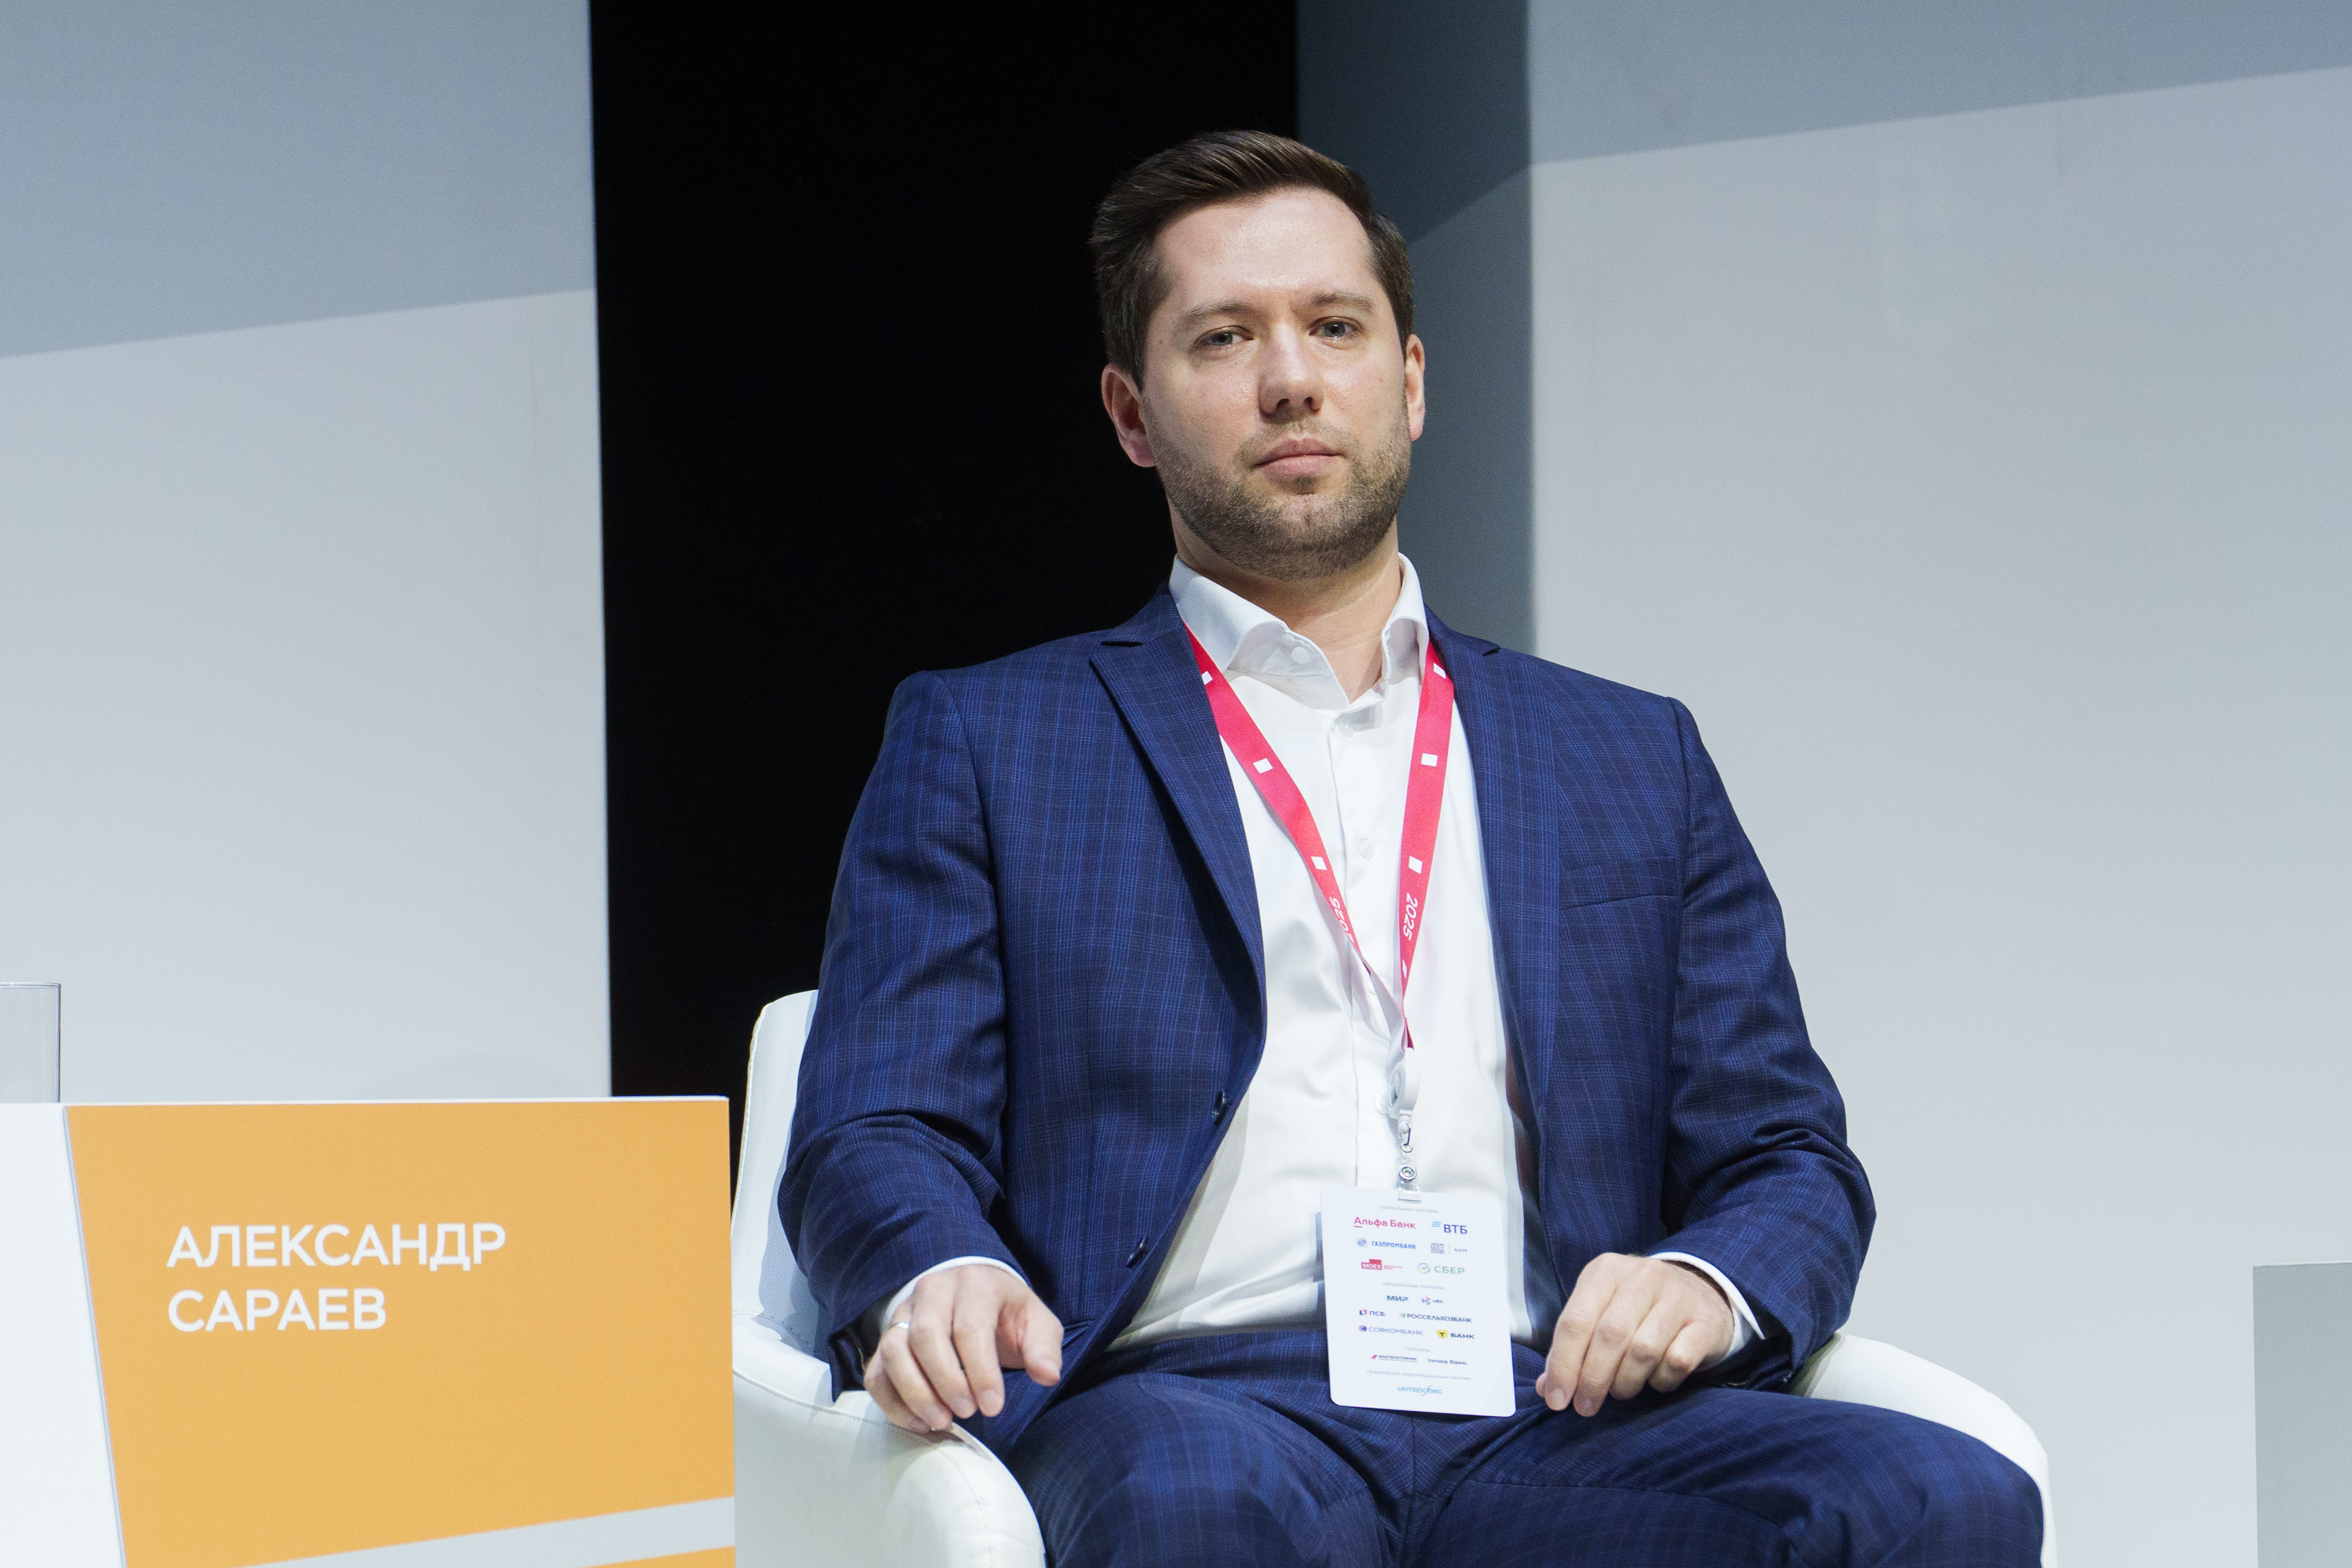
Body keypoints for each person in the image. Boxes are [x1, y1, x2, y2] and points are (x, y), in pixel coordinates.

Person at [781, 130, 2040, 1566]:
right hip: (1189, 1400)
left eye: (1335, 326)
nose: (1291, 379)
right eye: (1223, 337)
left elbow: (1787, 1152)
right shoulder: (993, 738)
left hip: (1551, 1408)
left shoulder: (1629, 754)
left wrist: (1708, 1276)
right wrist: (939, 1265)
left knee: (1945, 1495)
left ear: (1413, 380)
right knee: (1190, 1505)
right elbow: (873, 1126)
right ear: (1131, 413)